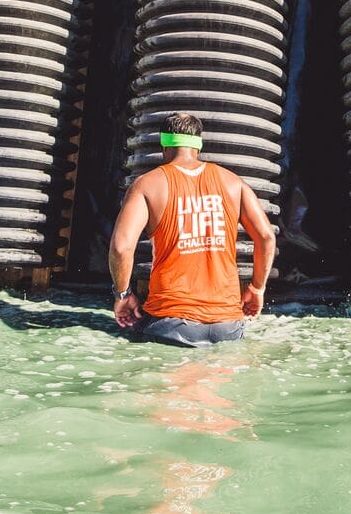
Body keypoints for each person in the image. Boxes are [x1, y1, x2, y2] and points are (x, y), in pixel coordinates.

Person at [108, 112, 276, 347]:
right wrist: (257, 288)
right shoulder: (233, 182)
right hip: (228, 326)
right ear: (198, 145)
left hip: (170, 324)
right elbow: (267, 238)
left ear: (164, 145)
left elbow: (121, 247)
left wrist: (123, 295)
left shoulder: (147, 184)